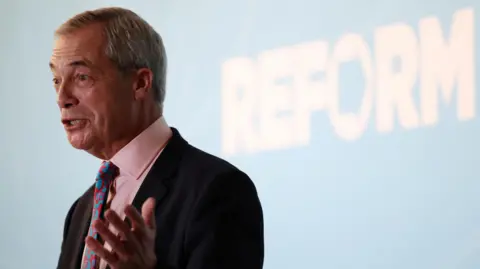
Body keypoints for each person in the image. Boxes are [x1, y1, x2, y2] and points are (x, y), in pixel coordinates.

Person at [51, 7, 264, 269]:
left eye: (82, 77)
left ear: (140, 83)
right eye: (56, 80)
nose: (63, 98)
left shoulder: (219, 190)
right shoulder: (81, 210)